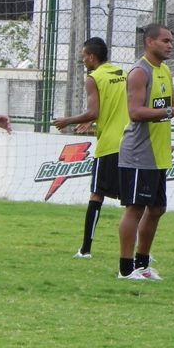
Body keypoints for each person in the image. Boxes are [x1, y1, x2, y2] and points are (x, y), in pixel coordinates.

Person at [117, 23, 174, 280]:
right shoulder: (139, 73)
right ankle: (125, 268)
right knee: (135, 209)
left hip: (158, 153)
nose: (170, 45)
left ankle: (142, 266)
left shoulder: (164, 70)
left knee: (157, 209)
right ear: (149, 42)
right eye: (165, 41)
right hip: (139, 154)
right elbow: (135, 113)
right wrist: (172, 112)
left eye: (171, 41)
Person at [54, 37, 129, 259]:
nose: (82, 59)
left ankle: (86, 249)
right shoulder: (123, 74)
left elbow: (93, 112)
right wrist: (95, 123)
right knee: (134, 202)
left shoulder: (93, 78)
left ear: (92, 57)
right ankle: (140, 253)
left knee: (97, 195)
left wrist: (67, 121)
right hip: (131, 143)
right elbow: (117, 109)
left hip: (109, 145)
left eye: (84, 55)